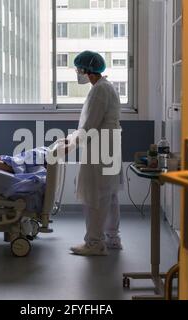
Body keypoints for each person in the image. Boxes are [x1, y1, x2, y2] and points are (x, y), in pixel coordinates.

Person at [66, 51, 124, 256]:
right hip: (109, 145)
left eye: (79, 70)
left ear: (87, 70)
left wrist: (70, 144)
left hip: (101, 147)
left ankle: (94, 242)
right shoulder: (107, 87)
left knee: (95, 194)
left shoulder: (99, 90)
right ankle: (112, 237)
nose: (78, 73)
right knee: (109, 193)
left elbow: (90, 124)